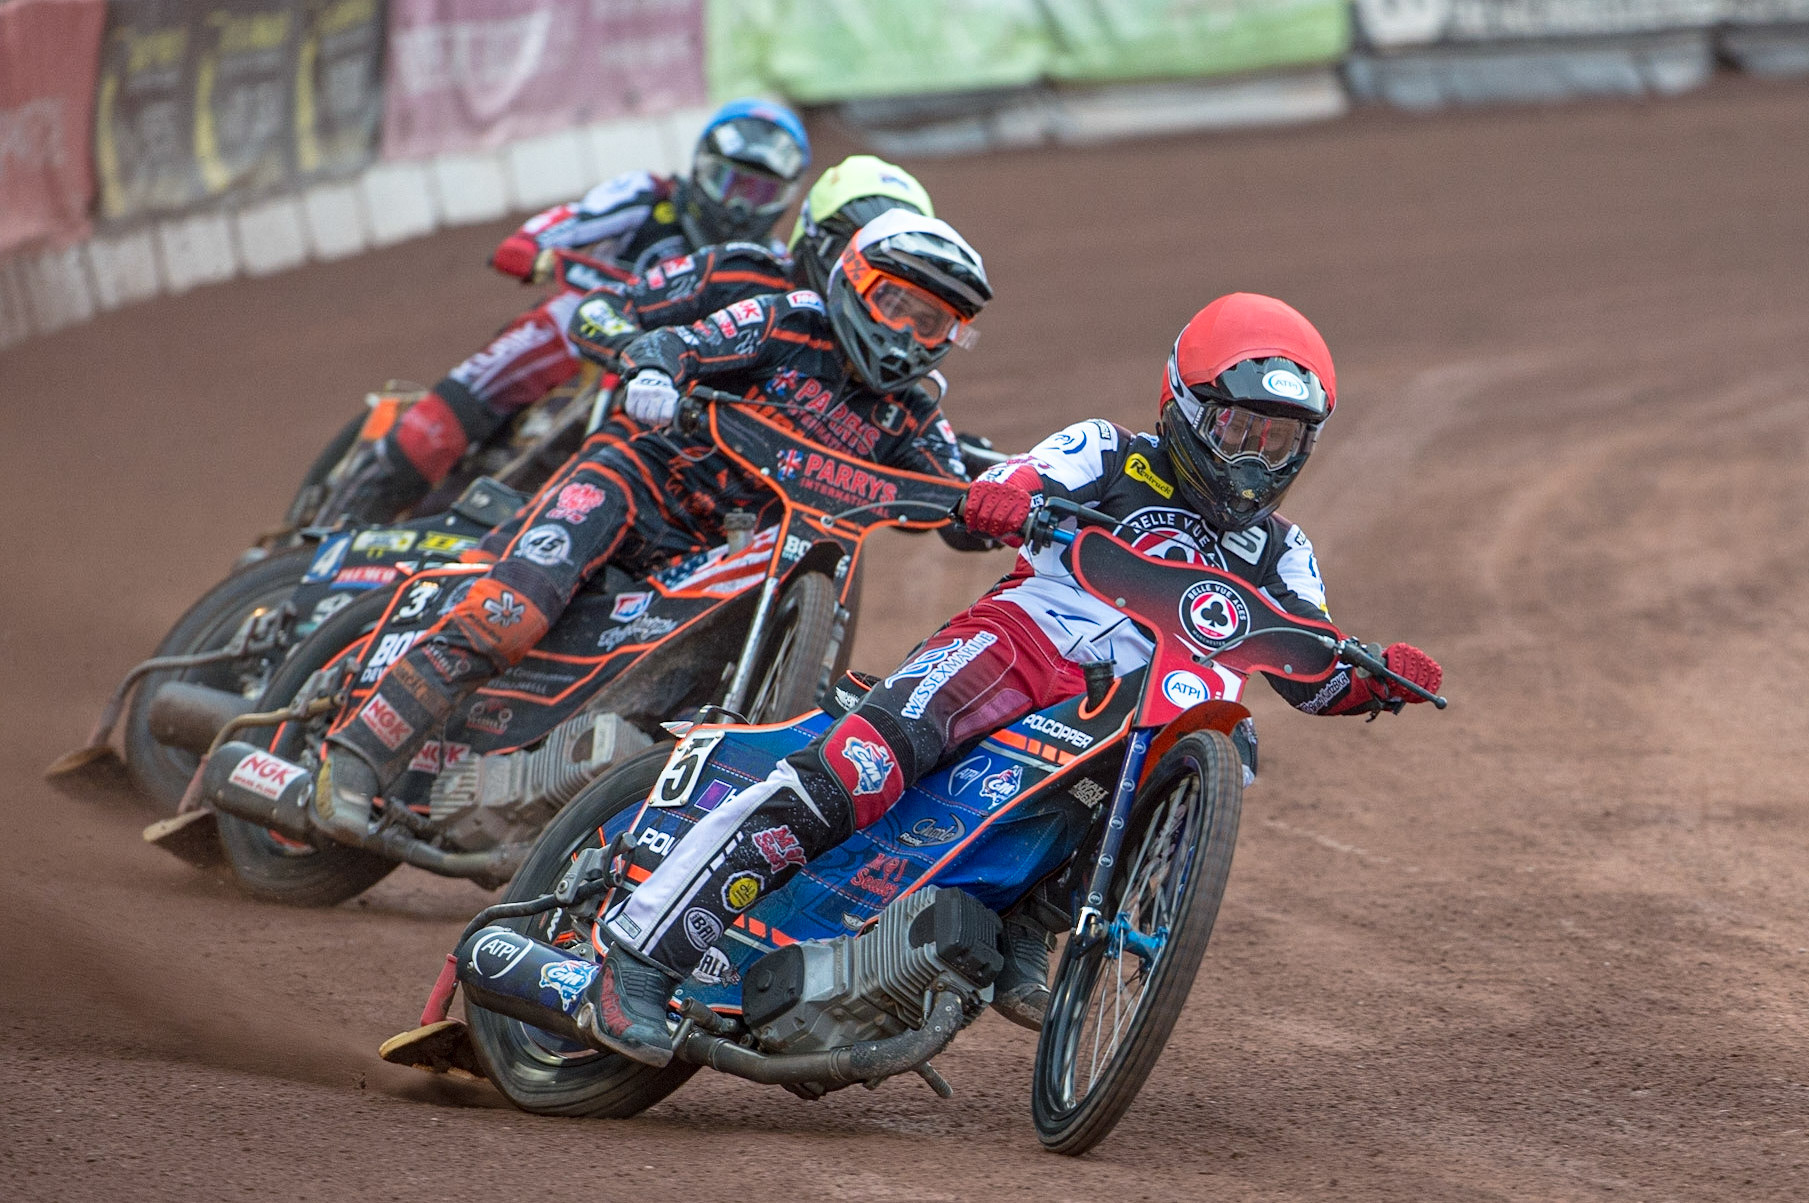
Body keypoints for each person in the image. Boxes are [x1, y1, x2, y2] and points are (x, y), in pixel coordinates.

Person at [580, 292, 1447, 1066]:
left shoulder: (1282, 550)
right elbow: (1012, 480)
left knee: (1230, 736)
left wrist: (1374, 679)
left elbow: (1309, 664)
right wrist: (1008, 496)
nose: (1256, 459)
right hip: (1021, 642)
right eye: (1239, 431)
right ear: (1185, 409)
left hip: (1129, 709)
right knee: (860, 768)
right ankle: (640, 952)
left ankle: (1033, 922)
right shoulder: (1108, 451)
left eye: (1280, 440)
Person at [317, 210, 995, 855]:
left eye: (932, 322)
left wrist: (1013, 507)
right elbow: (680, 341)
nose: (906, 334)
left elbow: (956, 505)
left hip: (719, 555)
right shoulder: (785, 319)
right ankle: (358, 756)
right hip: (637, 487)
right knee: (509, 614)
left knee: (686, 689)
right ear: (852, 281)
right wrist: (653, 369)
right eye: (895, 306)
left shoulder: (915, 415)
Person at [322, 99, 811, 524]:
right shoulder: (647, 198)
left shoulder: (768, 265)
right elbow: (565, 224)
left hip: (661, 377)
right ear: (701, 166)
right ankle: (350, 512)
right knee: (552, 328)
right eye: (729, 182)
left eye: (760, 193)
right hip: (581, 332)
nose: (740, 207)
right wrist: (535, 249)